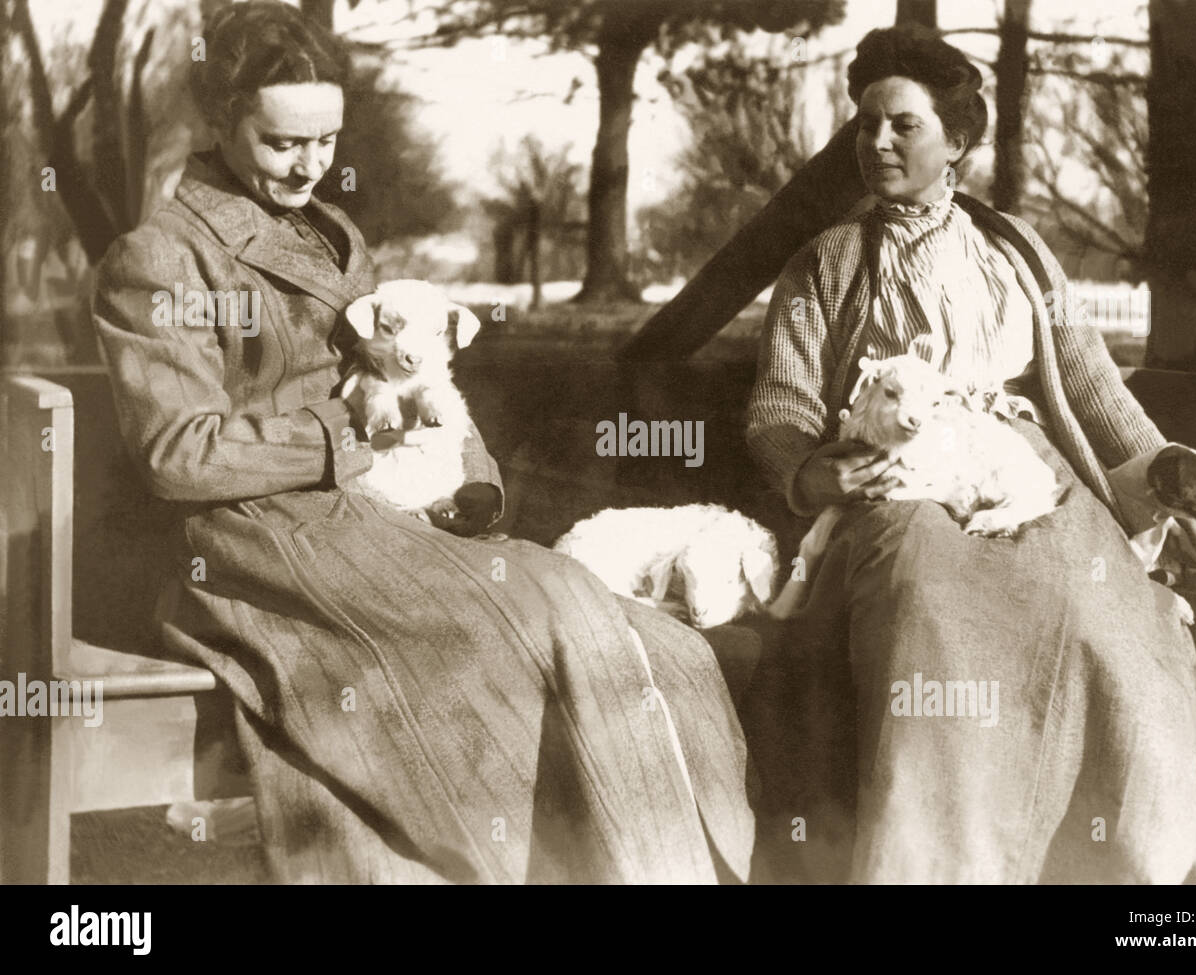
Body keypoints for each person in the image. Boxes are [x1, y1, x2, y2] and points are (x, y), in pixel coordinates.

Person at [93, 1, 753, 883]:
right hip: (251, 542)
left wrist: (468, 483)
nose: (309, 164)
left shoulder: (333, 234)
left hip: (371, 509)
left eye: (325, 141)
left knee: (655, 642)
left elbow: (414, 376)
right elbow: (179, 452)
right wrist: (343, 430)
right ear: (219, 121)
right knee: (540, 616)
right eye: (282, 143)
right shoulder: (162, 259)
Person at [744, 24, 1196, 884]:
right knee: (924, 607)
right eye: (866, 124)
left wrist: (1165, 479)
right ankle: (940, 865)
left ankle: (1128, 867)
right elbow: (781, 401)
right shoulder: (827, 263)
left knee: (1112, 616)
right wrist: (810, 470)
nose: (877, 142)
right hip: (900, 477)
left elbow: (1090, 382)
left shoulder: (1018, 251)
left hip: (1029, 479)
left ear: (957, 141)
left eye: (903, 125)